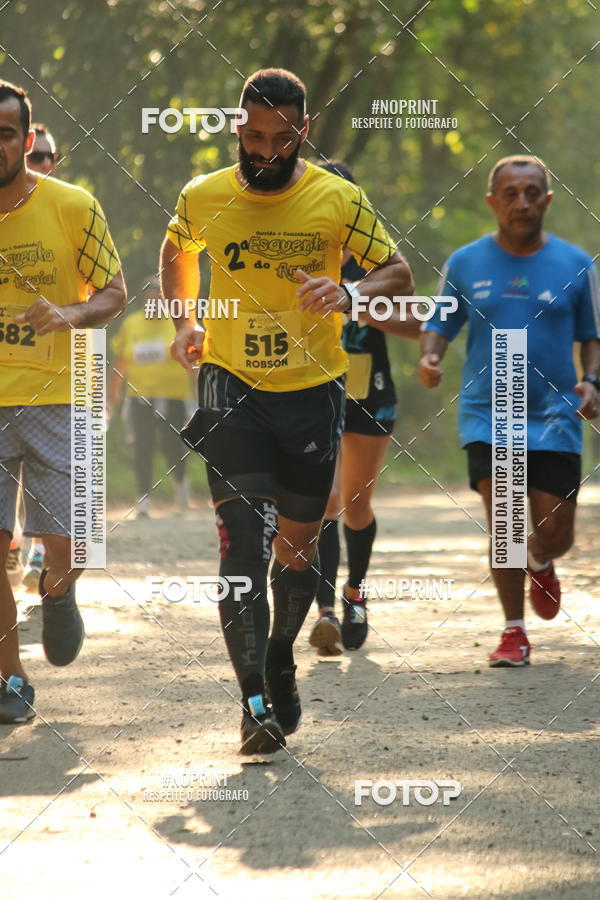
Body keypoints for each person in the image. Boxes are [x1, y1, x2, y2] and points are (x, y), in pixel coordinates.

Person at [160, 68, 414, 753]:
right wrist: (185, 321)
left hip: (312, 389)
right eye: (255, 137)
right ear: (238, 128)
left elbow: (397, 271)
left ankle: (279, 656)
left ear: (304, 131)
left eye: (281, 138)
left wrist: (350, 295)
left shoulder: (337, 196)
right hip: (230, 384)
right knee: (242, 545)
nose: (266, 152)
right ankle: (252, 704)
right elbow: (177, 249)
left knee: (296, 552)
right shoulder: (203, 194)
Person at [419, 155, 600, 667]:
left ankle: (540, 560)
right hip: (489, 411)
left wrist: (591, 382)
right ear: (492, 202)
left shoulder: (576, 264)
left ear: (547, 200)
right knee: (504, 522)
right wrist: (430, 357)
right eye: (511, 194)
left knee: (556, 535)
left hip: (556, 414)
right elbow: (440, 323)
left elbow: (593, 336)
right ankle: (513, 631)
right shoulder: (465, 262)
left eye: (532, 193)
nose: (521, 203)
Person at [0, 81, 125, 722]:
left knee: (70, 544)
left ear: (27, 140)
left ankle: (56, 589)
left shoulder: (74, 205)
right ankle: (10, 677)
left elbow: (114, 293)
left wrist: (70, 314)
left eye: (5, 134)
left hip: (61, 394)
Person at [308, 161, 420, 656]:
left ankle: (355, 592)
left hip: (369, 394)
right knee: (326, 500)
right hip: (314, 389)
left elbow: (418, 323)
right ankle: (326, 613)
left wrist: (357, 305)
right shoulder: (298, 255)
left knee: (355, 504)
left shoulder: (379, 262)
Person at [5, 121, 61, 592]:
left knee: (62, 490)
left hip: (68, 365)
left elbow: (107, 293)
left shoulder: (70, 207)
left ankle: (50, 557)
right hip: (11, 371)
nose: (40, 161)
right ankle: (21, 540)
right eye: (35, 154)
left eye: (47, 156)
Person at [108, 277, 191, 517]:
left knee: (172, 445)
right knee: (143, 446)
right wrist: (112, 393)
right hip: (140, 397)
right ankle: (143, 499)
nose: (153, 302)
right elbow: (121, 360)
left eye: (158, 298)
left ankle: (181, 488)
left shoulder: (178, 324)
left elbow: (193, 358)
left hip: (174, 396)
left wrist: (199, 391)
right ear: (143, 300)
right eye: (149, 298)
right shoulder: (131, 325)